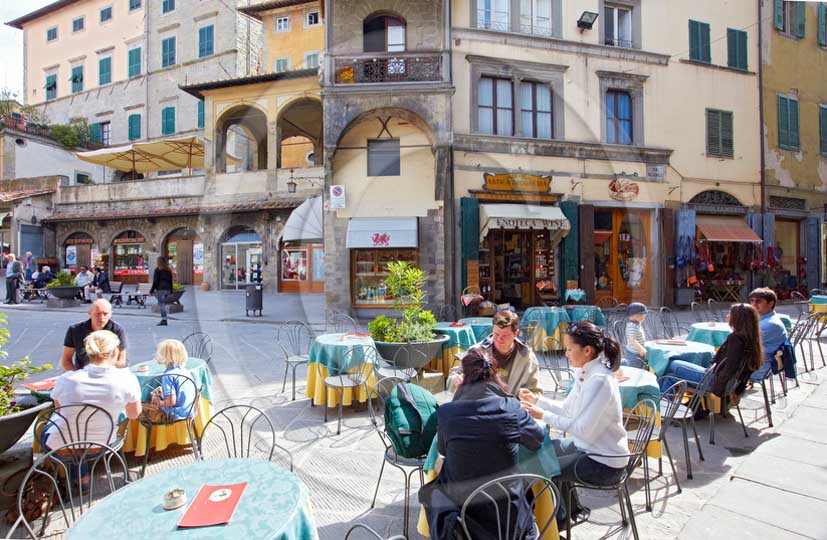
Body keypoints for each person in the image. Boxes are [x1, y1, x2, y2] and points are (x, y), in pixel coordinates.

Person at [422, 348, 544, 540]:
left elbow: (443, 450)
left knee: (438, 485)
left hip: (463, 524)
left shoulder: (447, 413)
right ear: (494, 374)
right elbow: (537, 440)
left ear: (465, 377)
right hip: (511, 524)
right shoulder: (511, 408)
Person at [519, 322, 628, 526]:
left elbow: (582, 430)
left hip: (604, 463)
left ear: (587, 351)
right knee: (546, 450)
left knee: (538, 466)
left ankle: (549, 524)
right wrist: (537, 400)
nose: (565, 353)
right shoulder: (585, 373)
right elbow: (568, 409)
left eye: (569, 349)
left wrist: (542, 414)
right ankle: (568, 512)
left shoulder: (599, 380)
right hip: (589, 450)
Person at [42, 330, 142, 450]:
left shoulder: (66, 379)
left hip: (62, 445)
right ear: (115, 352)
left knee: (51, 425)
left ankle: (74, 466)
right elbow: (133, 414)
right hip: (103, 444)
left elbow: (59, 412)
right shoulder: (127, 379)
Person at [659, 303, 764, 410]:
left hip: (712, 381)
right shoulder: (753, 340)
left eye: (730, 314)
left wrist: (717, 391)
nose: (728, 316)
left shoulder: (736, 339)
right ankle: (664, 409)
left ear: (738, 318)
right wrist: (738, 390)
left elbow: (730, 367)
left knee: (673, 363)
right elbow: (747, 370)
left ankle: (661, 409)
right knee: (671, 376)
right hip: (730, 383)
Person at [448, 310, 543, 397]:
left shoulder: (526, 356)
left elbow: (536, 391)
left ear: (516, 333)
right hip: (481, 409)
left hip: (512, 410)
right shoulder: (477, 351)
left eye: (505, 336)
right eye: (496, 334)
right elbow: (454, 376)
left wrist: (530, 396)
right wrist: (455, 381)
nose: (499, 339)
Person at [61, 299, 127, 371]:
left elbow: (121, 360)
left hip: (108, 373)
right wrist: (77, 375)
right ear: (89, 313)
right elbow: (66, 360)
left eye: (105, 314)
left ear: (111, 314)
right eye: (97, 314)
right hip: (81, 373)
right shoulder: (75, 330)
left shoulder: (117, 330)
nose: (101, 318)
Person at [141, 339, 195, 423]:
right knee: (158, 390)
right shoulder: (185, 371)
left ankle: (139, 435)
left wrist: (158, 402)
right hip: (189, 411)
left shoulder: (168, 375)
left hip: (173, 415)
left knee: (139, 407)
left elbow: (171, 401)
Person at [748, 288, 789, 371]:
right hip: (758, 362)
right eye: (752, 301)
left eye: (758, 301)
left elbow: (745, 344)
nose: (753, 304)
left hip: (757, 368)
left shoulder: (769, 324)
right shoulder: (764, 319)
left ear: (770, 303)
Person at [622, 302, 648, 368]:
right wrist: (641, 348)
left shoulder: (637, 323)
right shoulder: (632, 326)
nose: (644, 316)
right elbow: (633, 340)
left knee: (638, 365)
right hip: (633, 353)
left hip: (637, 351)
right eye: (642, 315)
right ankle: (620, 364)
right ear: (635, 316)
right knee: (634, 367)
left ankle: (624, 362)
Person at [150, 257, 174, 326]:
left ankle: (164, 319)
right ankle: (164, 319)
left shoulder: (157, 270)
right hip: (168, 289)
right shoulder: (168, 270)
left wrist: (152, 290)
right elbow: (170, 280)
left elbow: (155, 281)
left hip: (161, 289)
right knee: (162, 303)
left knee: (161, 304)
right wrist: (171, 291)